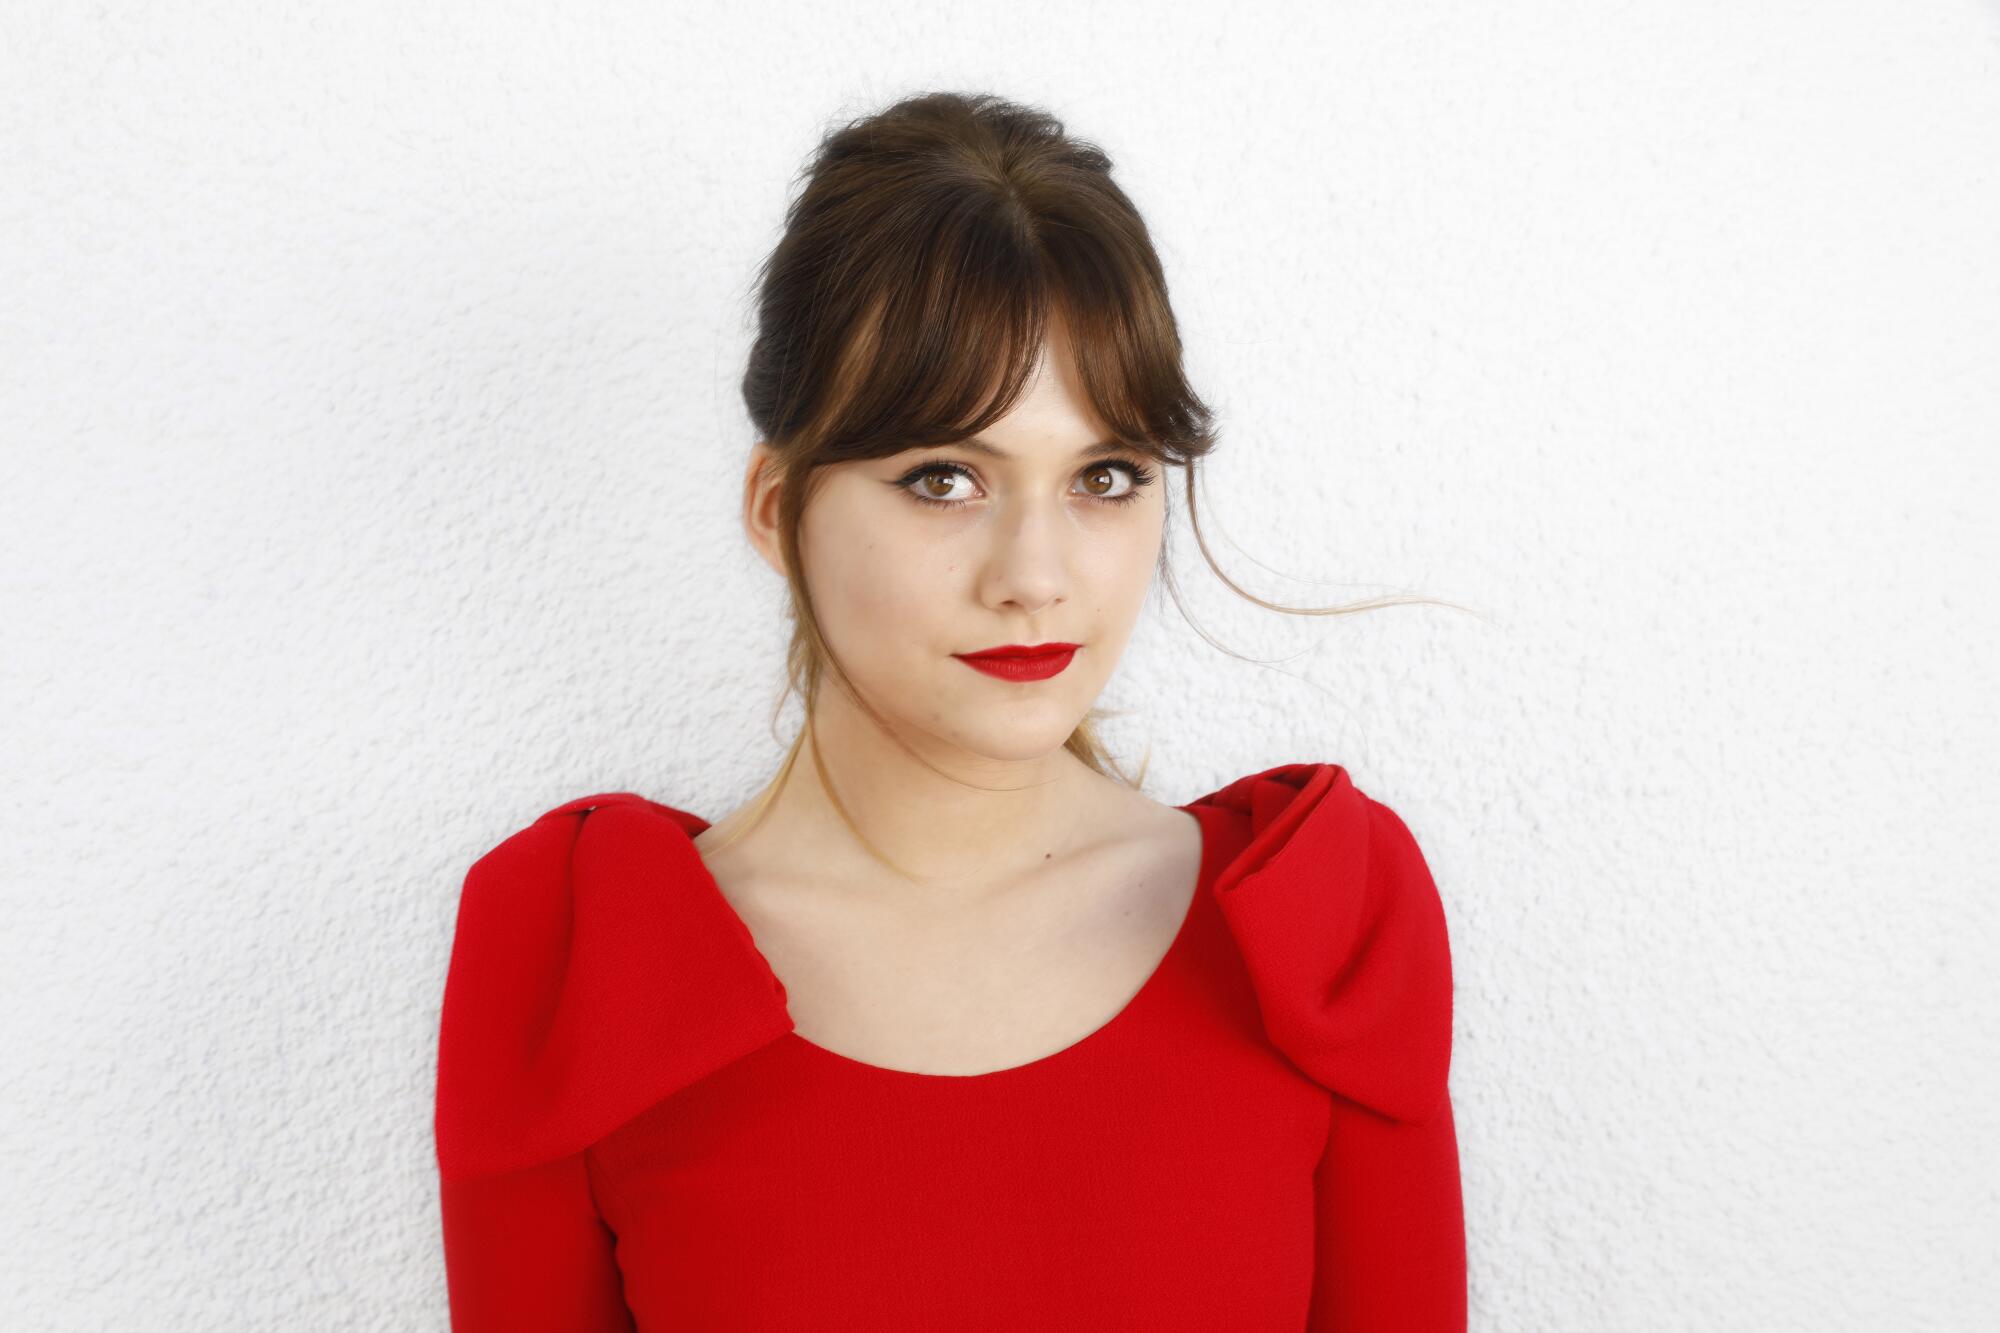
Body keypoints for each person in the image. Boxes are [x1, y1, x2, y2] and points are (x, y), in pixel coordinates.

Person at [433, 90, 1466, 1331]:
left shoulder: (1316, 937)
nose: (1035, 574)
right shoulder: (585, 971)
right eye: (944, 478)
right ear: (777, 508)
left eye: (1105, 477)